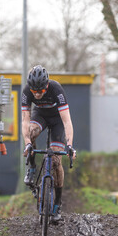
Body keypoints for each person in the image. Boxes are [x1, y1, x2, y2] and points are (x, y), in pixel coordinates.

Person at [21, 65, 76, 222]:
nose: (37, 94)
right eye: (34, 91)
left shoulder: (56, 89)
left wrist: (70, 145)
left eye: (41, 91)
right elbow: (25, 120)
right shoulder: (26, 91)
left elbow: (67, 121)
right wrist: (27, 143)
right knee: (31, 132)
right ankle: (32, 167)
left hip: (58, 120)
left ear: (46, 86)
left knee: (56, 160)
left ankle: (57, 204)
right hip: (40, 117)